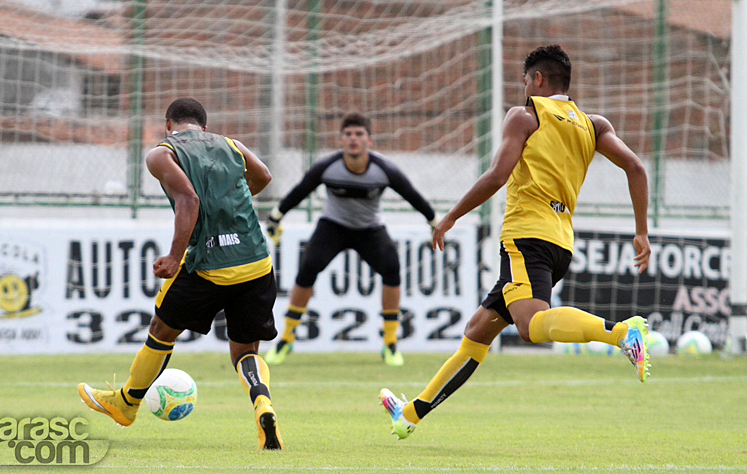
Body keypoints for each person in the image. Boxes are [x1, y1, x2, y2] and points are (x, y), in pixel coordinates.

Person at [379, 44, 652, 439]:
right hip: (561, 244)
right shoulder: (594, 124)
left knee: (530, 325)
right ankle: (410, 415)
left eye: (525, 80)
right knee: (478, 330)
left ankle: (621, 332)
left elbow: (497, 174)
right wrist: (641, 230)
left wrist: (451, 215)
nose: (523, 88)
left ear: (537, 79)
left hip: (526, 237)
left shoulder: (526, 116)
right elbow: (636, 167)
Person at [78, 97, 283, 451]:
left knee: (162, 330)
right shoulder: (231, 144)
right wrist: (229, 205)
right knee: (246, 348)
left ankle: (127, 404)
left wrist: (174, 256)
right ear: (204, 126)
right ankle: (262, 401)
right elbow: (263, 176)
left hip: (210, 266)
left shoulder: (162, 153)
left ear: (168, 123)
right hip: (256, 262)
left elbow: (188, 200)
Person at [263, 113, 437, 366]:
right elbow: (300, 191)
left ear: (370, 140)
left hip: (370, 229)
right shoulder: (327, 167)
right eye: (349, 134)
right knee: (308, 267)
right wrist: (276, 217)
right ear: (341, 139)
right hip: (333, 226)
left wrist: (434, 222)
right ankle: (286, 339)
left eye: (359, 134)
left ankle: (390, 343)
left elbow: (413, 196)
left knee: (392, 268)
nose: (353, 139)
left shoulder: (384, 170)